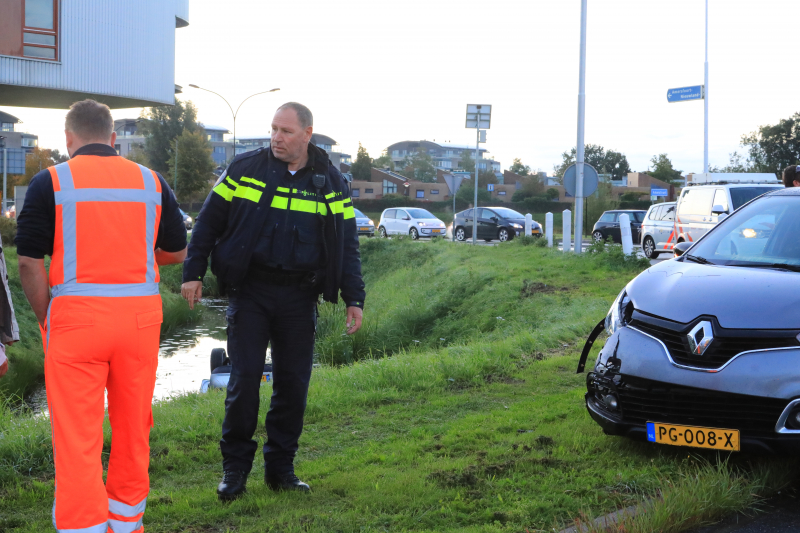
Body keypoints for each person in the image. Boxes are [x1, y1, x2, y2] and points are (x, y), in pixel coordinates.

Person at [15, 99, 187, 533]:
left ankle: (84, 526)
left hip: (76, 323)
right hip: (139, 324)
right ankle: (127, 524)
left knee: (77, 437)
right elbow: (176, 251)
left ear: (69, 140)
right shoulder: (151, 181)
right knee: (133, 430)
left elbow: (29, 263)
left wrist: (47, 321)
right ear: (114, 140)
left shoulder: (49, 181)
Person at [182, 102, 365, 500]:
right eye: (273, 129)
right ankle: (235, 471)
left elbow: (346, 245)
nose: (276, 138)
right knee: (244, 381)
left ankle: (280, 470)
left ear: (307, 134)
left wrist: (355, 298)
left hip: (300, 297)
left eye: (285, 131)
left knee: (293, 386)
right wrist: (193, 273)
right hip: (251, 292)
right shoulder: (246, 168)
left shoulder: (331, 181)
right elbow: (208, 224)